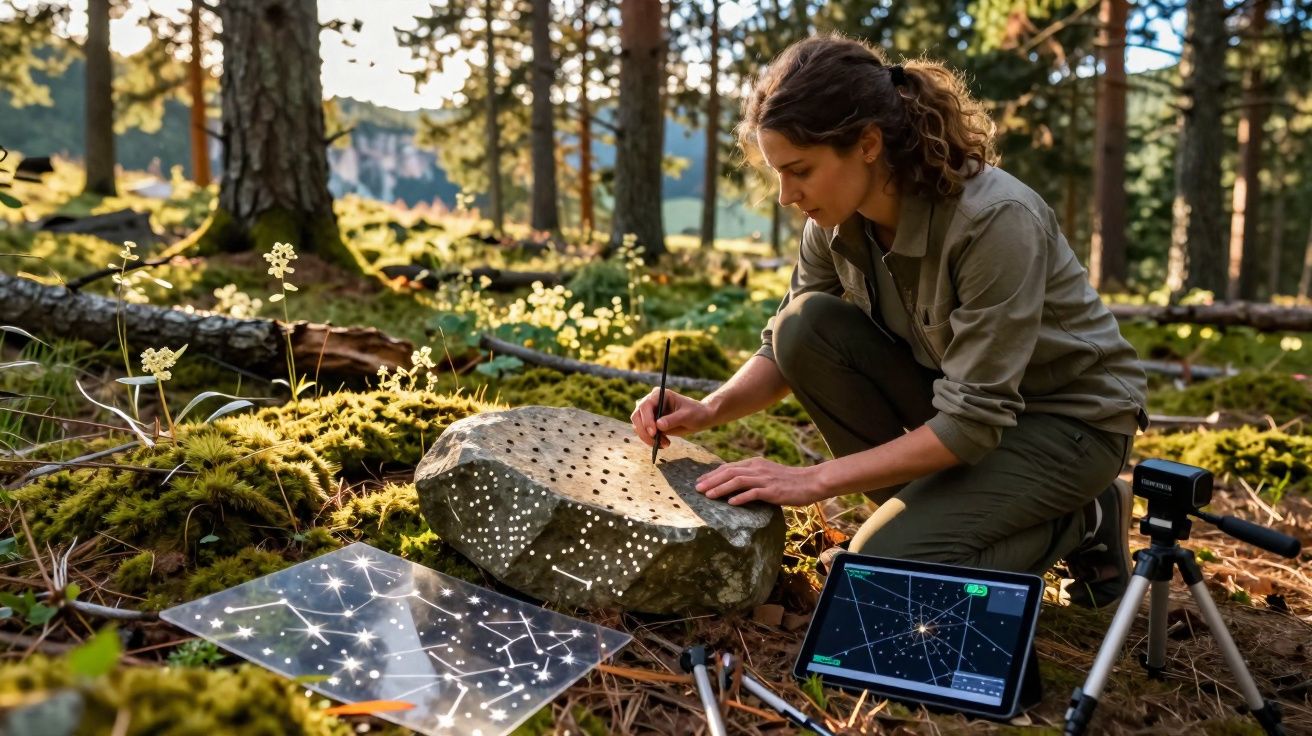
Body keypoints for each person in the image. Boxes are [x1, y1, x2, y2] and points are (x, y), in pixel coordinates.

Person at [629, 34, 1149, 608]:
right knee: (804, 325)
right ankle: (944, 519)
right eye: (779, 173)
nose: (785, 196)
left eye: (800, 170)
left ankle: (1083, 516)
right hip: (961, 406)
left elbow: (972, 421)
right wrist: (709, 410)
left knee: (878, 573)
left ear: (869, 144)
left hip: (1068, 424)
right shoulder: (830, 223)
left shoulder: (994, 220)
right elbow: (783, 346)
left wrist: (815, 479)